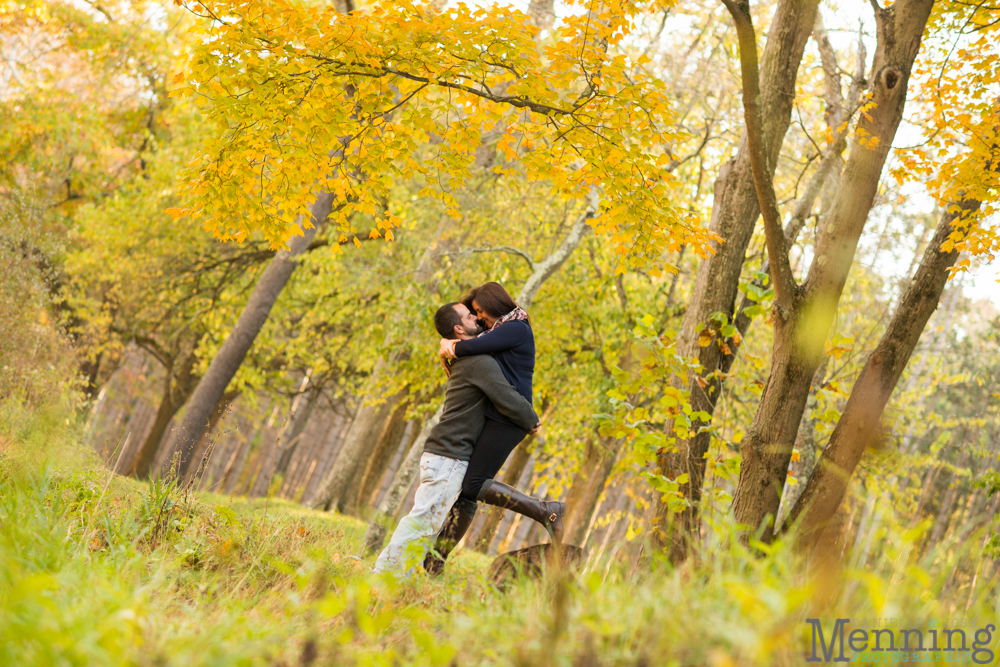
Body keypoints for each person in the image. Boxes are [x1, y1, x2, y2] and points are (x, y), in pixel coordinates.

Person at [372, 301, 541, 577]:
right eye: (469, 315)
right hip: (449, 457)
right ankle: (381, 577)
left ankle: (398, 581)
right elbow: (508, 398)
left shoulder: (468, 357)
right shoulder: (479, 362)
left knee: (428, 523)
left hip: (442, 454)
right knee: (423, 522)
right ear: (459, 328)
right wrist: (532, 420)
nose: (477, 316)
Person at [425, 282, 565, 575]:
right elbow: (473, 345)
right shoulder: (500, 328)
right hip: (500, 415)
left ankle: (546, 510)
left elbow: (473, 346)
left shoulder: (517, 327)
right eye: (473, 313)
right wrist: (450, 345)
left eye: (479, 311)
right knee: (468, 491)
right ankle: (434, 564)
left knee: (474, 484)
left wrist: (448, 345)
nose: (479, 317)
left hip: (510, 416)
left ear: (493, 304)